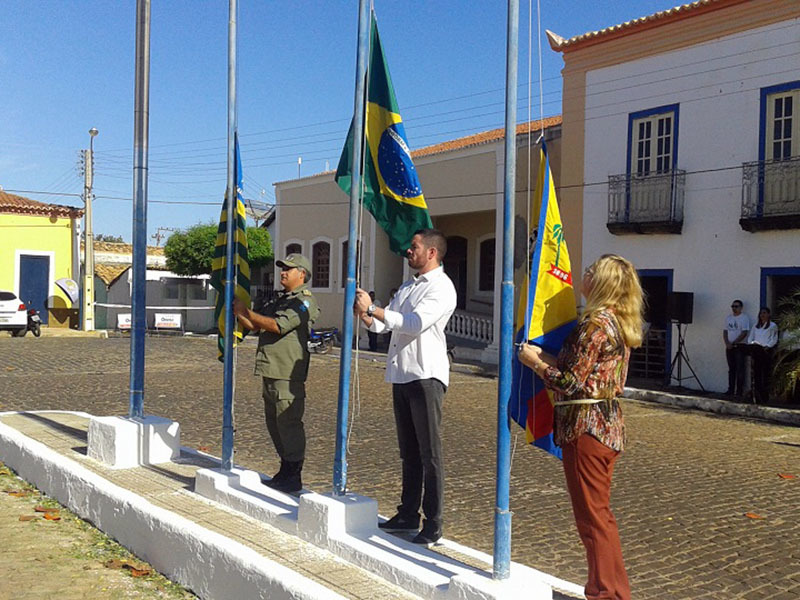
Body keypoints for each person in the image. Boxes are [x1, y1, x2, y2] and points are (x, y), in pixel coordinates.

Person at [518, 254, 644, 600]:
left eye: (590, 272)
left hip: (586, 428)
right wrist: (545, 359)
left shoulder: (595, 324)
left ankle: (606, 592)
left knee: (592, 519)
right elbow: (584, 371)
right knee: (600, 515)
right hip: (606, 426)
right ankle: (612, 589)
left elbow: (571, 382)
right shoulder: (617, 322)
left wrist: (536, 365)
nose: (583, 275)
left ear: (601, 283)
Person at [354, 228, 457, 546]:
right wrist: (367, 316)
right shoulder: (409, 287)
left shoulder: (441, 287)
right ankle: (408, 512)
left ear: (432, 253)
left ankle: (433, 521)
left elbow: (414, 324)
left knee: (430, 453)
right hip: (401, 373)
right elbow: (387, 326)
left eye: (414, 247)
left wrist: (374, 309)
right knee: (409, 452)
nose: (408, 251)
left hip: (425, 374)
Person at [233, 253, 319, 493]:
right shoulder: (280, 301)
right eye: (282, 268)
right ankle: (285, 469)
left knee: (289, 423)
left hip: (287, 373)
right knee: (275, 424)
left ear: (301, 274)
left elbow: (278, 326)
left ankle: (293, 474)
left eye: (289, 269)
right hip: (270, 369)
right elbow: (258, 326)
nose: (283, 272)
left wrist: (247, 313)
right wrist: (240, 312)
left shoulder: (304, 302)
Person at [746, 307, 778, 404]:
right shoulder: (756, 326)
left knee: (765, 374)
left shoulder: (772, 326)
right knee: (756, 374)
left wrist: (767, 347)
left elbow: (773, 339)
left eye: (764, 313)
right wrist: (752, 344)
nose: (762, 315)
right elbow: (750, 338)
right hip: (756, 352)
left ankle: (765, 396)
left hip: (766, 352)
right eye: (761, 313)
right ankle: (756, 395)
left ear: (768, 314)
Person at [724, 299, 751, 397]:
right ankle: (730, 390)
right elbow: (725, 331)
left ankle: (739, 391)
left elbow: (744, 332)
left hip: (740, 346)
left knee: (740, 369)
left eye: (736, 306)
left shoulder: (744, 318)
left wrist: (735, 342)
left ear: (741, 308)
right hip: (729, 347)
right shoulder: (728, 318)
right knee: (732, 369)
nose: (734, 308)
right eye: (733, 306)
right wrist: (727, 343)